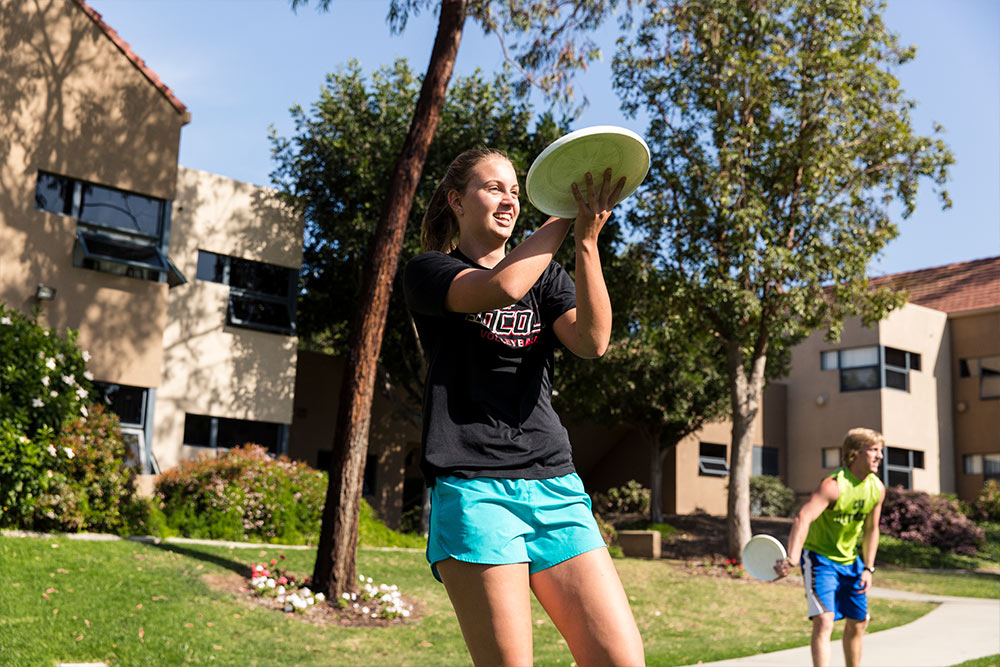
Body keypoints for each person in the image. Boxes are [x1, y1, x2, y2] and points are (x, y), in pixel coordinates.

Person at [403, 147, 645, 666]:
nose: (509, 200)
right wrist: (565, 210)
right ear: (457, 201)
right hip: (474, 488)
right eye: (494, 188)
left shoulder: (549, 280)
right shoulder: (429, 271)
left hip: (554, 482)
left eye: (515, 190)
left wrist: (584, 240)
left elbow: (593, 340)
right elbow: (500, 286)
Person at [773, 427, 887, 667]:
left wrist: (869, 568)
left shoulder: (876, 488)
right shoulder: (833, 485)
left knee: (858, 622)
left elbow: (871, 529)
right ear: (855, 453)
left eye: (881, 451)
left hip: (851, 562)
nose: (880, 456)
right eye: (874, 450)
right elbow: (803, 517)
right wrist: (792, 559)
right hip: (821, 559)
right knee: (824, 621)